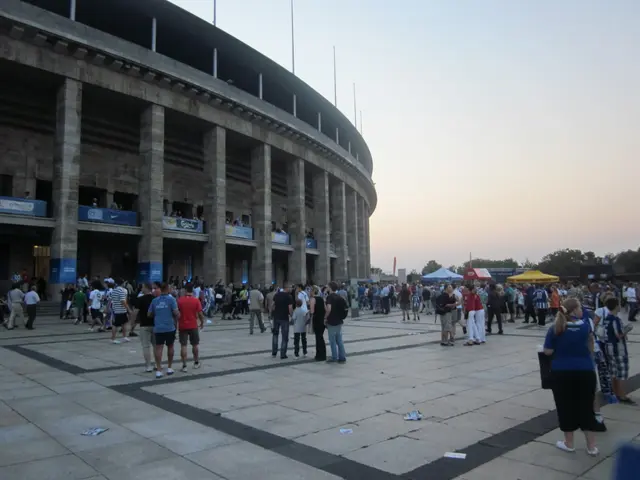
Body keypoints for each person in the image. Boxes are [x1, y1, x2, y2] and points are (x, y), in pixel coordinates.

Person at [543, 298, 599, 456]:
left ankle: (569, 442)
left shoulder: (555, 328)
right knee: (587, 407)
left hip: (562, 372)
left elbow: (547, 351)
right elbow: (590, 347)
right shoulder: (586, 327)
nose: (582, 310)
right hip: (585, 371)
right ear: (574, 310)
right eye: (580, 307)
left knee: (565, 407)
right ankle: (591, 446)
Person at [603, 297, 635, 405]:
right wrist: (627, 329)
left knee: (613, 372)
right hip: (619, 349)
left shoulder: (607, 318)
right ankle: (622, 395)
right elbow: (618, 335)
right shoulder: (615, 319)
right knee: (622, 373)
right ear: (616, 306)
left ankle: (615, 393)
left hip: (609, 348)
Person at [148, 282, 180, 378]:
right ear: (167, 289)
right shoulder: (172, 299)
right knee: (170, 346)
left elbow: (149, 314)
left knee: (159, 348)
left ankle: (158, 370)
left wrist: (157, 314)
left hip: (158, 328)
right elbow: (176, 313)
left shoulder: (155, 301)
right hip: (170, 327)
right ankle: (169, 368)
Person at [177, 283, 204, 373]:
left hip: (182, 325)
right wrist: (202, 322)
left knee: (183, 346)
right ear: (192, 290)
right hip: (193, 325)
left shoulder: (180, 300)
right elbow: (200, 314)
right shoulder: (196, 301)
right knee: (195, 344)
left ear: (185, 290)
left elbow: (177, 313)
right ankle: (196, 362)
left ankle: (184, 365)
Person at [134, 283, 156, 372]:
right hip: (155, 325)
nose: (141, 288)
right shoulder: (155, 299)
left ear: (146, 288)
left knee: (146, 346)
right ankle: (157, 364)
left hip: (144, 324)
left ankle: (148, 365)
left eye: (142, 287)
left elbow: (135, 312)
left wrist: (132, 322)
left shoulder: (140, 299)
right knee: (156, 346)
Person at [325, 281, 348, 363]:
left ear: (330, 288)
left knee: (332, 340)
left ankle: (334, 357)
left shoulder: (330, 297)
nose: (326, 288)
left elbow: (329, 309)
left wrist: (325, 317)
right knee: (339, 340)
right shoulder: (339, 297)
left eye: (327, 286)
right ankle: (342, 357)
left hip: (332, 321)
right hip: (339, 321)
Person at [271, 287, 293, 359]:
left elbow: (272, 305)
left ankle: (274, 352)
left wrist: (273, 313)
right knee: (284, 336)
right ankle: (283, 354)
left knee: (275, 334)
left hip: (276, 317)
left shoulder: (276, 295)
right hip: (284, 318)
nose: (291, 289)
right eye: (290, 287)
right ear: (287, 288)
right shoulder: (288, 297)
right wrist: (292, 315)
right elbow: (290, 308)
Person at [110, 279, 131, 344]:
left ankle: (124, 337)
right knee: (115, 325)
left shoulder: (114, 290)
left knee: (124, 323)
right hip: (120, 310)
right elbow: (123, 301)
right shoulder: (121, 291)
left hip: (116, 309)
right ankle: (113, 339)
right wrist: (129, 309)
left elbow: (112, 300)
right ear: (123, 283)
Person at [310, 287, 327, 361]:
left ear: (313, 292)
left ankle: (319, 355)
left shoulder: (313, 299)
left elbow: (312, 311)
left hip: (316, 319)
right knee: (321, 337)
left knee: (318, 337)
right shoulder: (322, 299)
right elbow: (325, 309)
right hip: (322, 319)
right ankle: (323, 354)